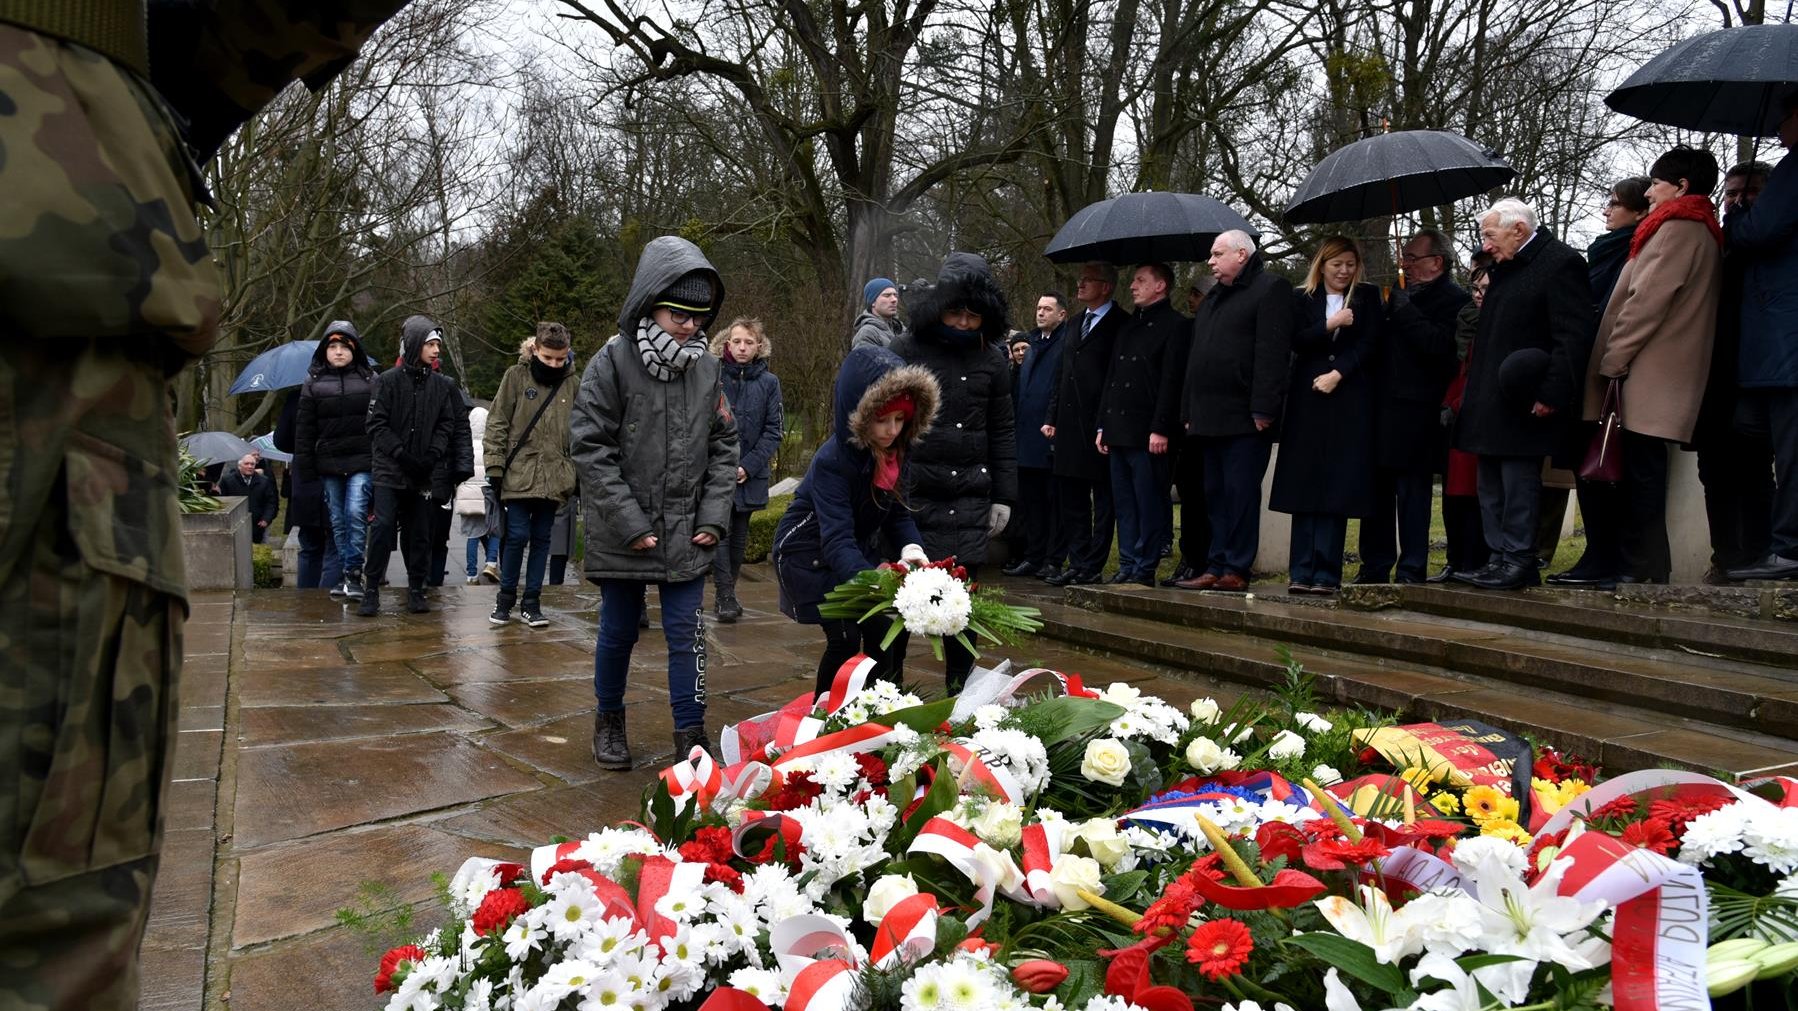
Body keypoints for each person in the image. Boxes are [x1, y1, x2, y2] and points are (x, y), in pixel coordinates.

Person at [0, 6, 409, 1008]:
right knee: (44, 925)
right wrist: (141, 81)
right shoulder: (314, 386)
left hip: (54, 247)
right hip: (52, 265)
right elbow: (310, 442)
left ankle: (339, 576)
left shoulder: (363, 383)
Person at [570, 236, 738, 769]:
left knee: (687, 634)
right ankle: (609, 719)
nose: (689, 326)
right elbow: (589, 446)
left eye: (698, 316)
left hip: (688, 529)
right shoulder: (611, 363)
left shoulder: (708, 369)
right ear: (649, 304)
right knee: (619, 630)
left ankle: (690, 733)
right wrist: (629, 522)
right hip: (625, 531)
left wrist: (714, 517)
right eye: (677, 314)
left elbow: (723, 442)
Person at [1571, 146, 1725, 587]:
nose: (1651, 192)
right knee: (1641, 473)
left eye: (1657, 183)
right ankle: (1640, 566)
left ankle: (1643, 568)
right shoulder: (1692, 228)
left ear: (1681, 186)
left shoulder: (1678, 228)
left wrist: (1613, 359)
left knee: (1641, 476)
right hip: (1659, 370)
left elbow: (1646, 301)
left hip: (1649, 373)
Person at [774, 348, 939, 697]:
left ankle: (881, 706)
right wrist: (874, 580)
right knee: (846, 638)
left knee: (886, 629)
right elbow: (836, 539)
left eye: (899, 419)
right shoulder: (832, 461)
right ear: (860, 416)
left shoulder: (896, 452)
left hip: (851, 552)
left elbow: (896, 512)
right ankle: (825, 716)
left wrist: (913, 548)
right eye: (883, 420)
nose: (892, 430)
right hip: (809, 554)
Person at [890, 252, 1018, 692]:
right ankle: (888, 699)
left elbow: (1002, 429)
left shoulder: (994, 359)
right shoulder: (905, 350)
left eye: (973, 315)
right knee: (898, 613)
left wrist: (1004, 495)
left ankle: (959, 702)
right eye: (955, 313)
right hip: (914, 496)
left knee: (963, 616)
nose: (964, 323)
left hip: (969, 497)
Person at [1454, 198, 1595, 590]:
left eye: (1489, 234)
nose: (1485, 244)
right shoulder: (1504, 267)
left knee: (1518, 485)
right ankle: (1497, 558)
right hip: (1488, 400)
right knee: (1490, 487)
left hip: (1524, 400)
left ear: (1518, 229)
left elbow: (1572, 336)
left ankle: (1519, 560)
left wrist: (1551, 392)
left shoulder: (1560, 263)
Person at [1174, 230, 1294, 592]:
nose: (1210, 261)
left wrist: (1264, 407)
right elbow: (1196, 360)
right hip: (1209, 415)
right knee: (1214, 492)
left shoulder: (1271, 289)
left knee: (1240, 491)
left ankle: (1237, 567)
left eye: (1217, 254)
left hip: (1246, 416)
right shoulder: (1213, 299)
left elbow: (1272, 353)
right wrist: (1189, 409)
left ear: (1241, 254)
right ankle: (1216, 561)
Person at [1547, 177, 1653, 587]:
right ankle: (1598, 554)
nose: (1606, 210)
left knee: (1604, 468)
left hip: (1610, 376)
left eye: (1614, 204)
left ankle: (1607, 557)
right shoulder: (1604, 251)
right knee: (1587, 467)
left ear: (1638, 210)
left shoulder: (1631, 252)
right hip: (1587, 371)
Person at [1270, 237, 1379, 595]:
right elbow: (1295, 341)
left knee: (1337, 486)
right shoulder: (1302, 299)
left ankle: (1327, 573)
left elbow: (1371, 344)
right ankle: (1301, 570)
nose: (1344, 271)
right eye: (1337, 265)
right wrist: (1329, 325)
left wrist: (1340, 373)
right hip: (1308, 403)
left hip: (1348, 403)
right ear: (1322, 265)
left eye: (1350, 264)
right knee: (1305, 484)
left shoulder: (1367, 297)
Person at [1359, 230, 1464, 584]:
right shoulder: (1397, 295)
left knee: (1413, 494)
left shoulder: (1455, 300)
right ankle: (1374, 565)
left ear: (1437, 262)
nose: (1404, 263)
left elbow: (1442, 349)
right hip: (1381, 408)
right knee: (1376, 495)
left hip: (1419, 413)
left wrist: (1406, 314)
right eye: (1403, 257)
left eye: (1412, 258)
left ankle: (1411, 567)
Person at [1725, 93, 1798, 581]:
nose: (1778, 131)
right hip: (1774, 344)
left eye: (1785, 119)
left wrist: (1737, 218)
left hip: (1784, 337)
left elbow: (1761, 233)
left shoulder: (1796, 168)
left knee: (1789, 448)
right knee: (1754, 433)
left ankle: (1789, 547)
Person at [1692, 161, 1776, 581]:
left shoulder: (1768, 245)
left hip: (1752, 374)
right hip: (1711, 376)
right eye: (1732, 193)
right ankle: (1725, 555)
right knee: (1714, 473)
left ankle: (1757, 553)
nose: (1739, 200)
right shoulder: (1715, 243)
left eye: (1752, 192)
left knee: (1753, 469)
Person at [359, 318, 461, 616]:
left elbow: (447, 424)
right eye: (430, 344)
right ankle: (371, 589)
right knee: (382, 527)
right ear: (416, 345)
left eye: (438, 345)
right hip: (390, 470)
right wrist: (401, 455)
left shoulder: (442, 385)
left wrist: (431, 456)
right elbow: (376, 424)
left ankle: (417, 588)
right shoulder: (386, 381)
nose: (435, 350)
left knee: (419, 533)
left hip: (423, 473)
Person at [1095, 263, 1188, 587]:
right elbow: (1113, 378)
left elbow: (1171, 382)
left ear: (1160, 285)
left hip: (1150, 432)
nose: (1133, 285)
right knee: (1125, 503)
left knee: (1148, 501)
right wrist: (1102, 425)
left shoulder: (1176, 326)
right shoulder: (1128, 326)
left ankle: (1145, 565)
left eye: (1140, 280)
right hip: (1119, 429)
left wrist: (1161, 427)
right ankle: (1128, 562)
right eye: (1133, 279)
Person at [485, 323, 578, 627]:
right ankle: (505, 598)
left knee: (542, 539)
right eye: (548, 358)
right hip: (519, 471)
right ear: (535, 349)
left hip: (555, 475)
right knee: (517, 536)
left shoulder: (572, 383)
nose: (553, 364)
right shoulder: (516, 376)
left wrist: (575, 472)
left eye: (559, 359)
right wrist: (495, 466)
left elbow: (581, 430)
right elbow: (498, 421)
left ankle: (532, 602)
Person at [1043, 264, 1125, 586]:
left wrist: (1105, 422)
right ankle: (1077, 562)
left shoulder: (1121, 324)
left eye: (1088, 280)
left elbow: (1117, 378)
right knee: (1071, 498)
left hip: (1098, 427)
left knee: (1103, 500)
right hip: (1067, 425)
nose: (1080, 284)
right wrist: (1051, 417)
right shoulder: (1075, 323)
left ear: (1105, 286)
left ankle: (1093, 564)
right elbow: (1061, 374)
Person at [710, 317, 785, 622]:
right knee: (719, 530)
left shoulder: (769, 383)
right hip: (715, 470)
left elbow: (773, 430)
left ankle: (729, 590)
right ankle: (724, 594)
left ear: (758, 346)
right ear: (727, 343)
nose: (742, 348)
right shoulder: (712, 376)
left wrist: (748, 467)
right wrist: (722, 464)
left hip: (749, 473)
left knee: (739, 533)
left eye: (749, 342)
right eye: (737, 341)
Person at [296, 321, 376, 598]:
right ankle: (346, 574)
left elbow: (379, 424)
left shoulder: (370, 381)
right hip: (328, 462)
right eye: (333, 346)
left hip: (362, 461)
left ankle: (354, 573)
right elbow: (304, 431)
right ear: (325, 350)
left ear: (355, 350)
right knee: (338, 521)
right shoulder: (313, 383)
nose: (339, 352)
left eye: (344, 346)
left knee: (355, 513)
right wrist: (305, 472)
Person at [1004, 292, 1070, 579]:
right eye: (1038, 307)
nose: (1041, 313)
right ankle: (1034, 555)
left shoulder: (1066, 344)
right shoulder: (1031, 346)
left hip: (1051, 438)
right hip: (1026, 439)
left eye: (1047, 309)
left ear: (1062, 314)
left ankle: (1054, 559)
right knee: (1031, 504)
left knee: (1054, 503)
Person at [1437, 261, 1495, 581]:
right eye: (1474, 288)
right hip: (1457, 412)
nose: (1478, 295)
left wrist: (1458, 402)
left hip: (1477, 413)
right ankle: (1457, 559)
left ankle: (1474, 559)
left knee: (1475, 492)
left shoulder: (1497, 324)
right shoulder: (1465, 321)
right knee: (1454, 492)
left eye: (1485, 289)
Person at [275, 393, 340, 589]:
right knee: (335, 547)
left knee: (310, 547)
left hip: (306, 480)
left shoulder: (296, 399)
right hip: (336, 475)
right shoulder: (344, 395)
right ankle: (328, 601)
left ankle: (307, 602)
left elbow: (281, 441)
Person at [456, 402, 501, 585]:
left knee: (472, 535)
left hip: (468, 499)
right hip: (488, 496)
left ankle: (471, 574)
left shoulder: (463, 446)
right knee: (496, 530)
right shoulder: (490, 445)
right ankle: (491, 563)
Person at [218, 454, 279, 543]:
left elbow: (271, 502)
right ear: (239, 466)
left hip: (257, 524)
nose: (250, 466)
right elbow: (222, 500)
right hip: (235, 523)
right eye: (246, 464)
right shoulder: (227, 481)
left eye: (252, 464)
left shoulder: (264, 481)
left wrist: (266, 519)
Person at [851, 277, 904, 350]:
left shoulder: (901, 329)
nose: (894, 299)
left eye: (895, 295)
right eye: (887, 295)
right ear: (873, 302)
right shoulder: (868, 333)